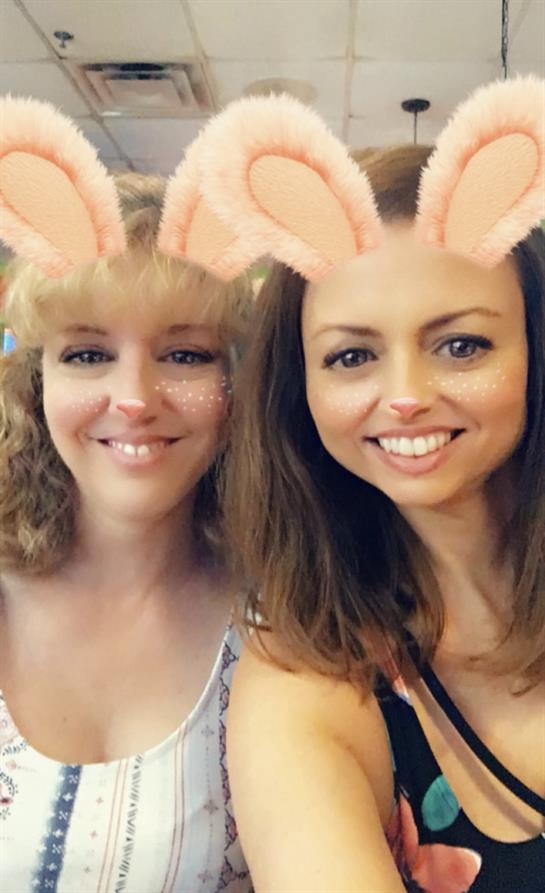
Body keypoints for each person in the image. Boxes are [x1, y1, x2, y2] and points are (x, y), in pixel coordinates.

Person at [191, 79, 545, 890]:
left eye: (460, 345)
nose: (406, 395)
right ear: (300, 389)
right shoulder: (311, 676)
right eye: (351, 355)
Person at [0, 98, 252, 892]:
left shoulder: (284, 624)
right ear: (36, 383)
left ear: (236, 386)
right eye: (87, 354)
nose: (135, 398)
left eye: (184, 353)